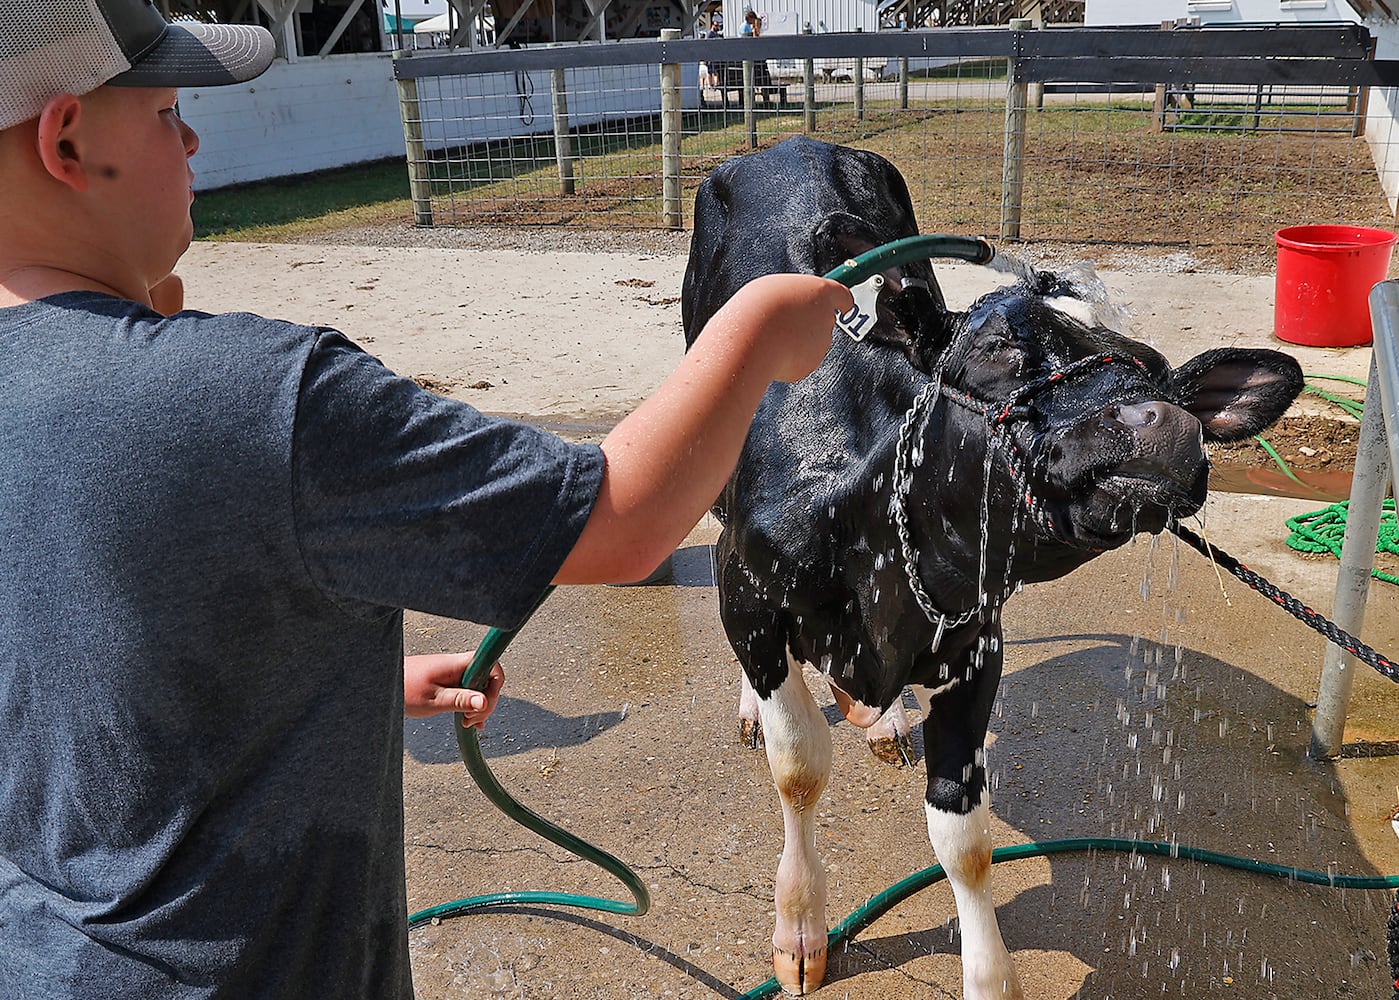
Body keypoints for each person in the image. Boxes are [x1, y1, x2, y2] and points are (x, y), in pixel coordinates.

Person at [0, 2, 852, 998]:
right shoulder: (259, 396)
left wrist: (334, 676)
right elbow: (626, 519)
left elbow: (60, 654)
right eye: (165, 114)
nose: (190, 140)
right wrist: (754, 329)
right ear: (67, 138)